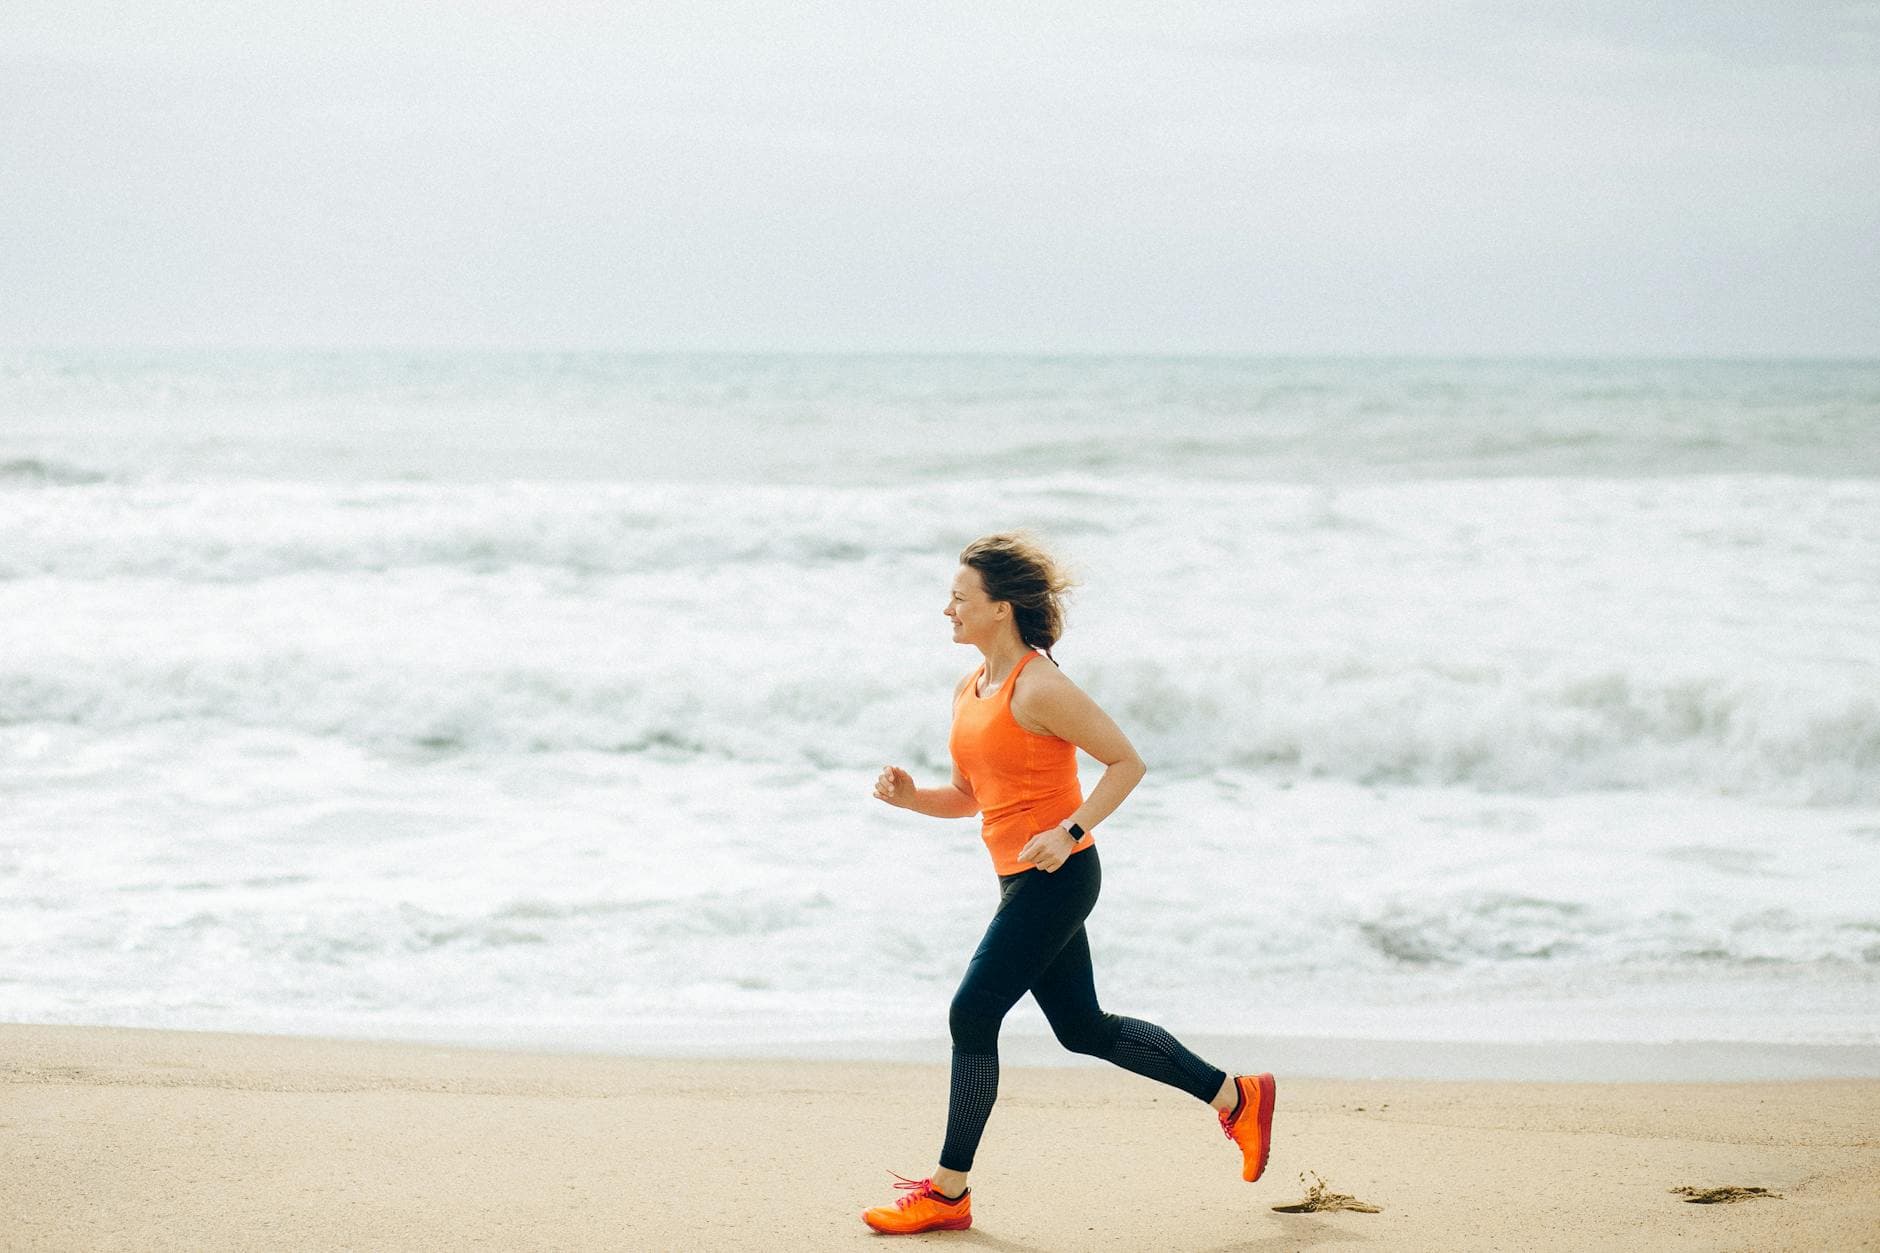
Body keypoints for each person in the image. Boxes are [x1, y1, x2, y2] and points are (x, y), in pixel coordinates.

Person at [860, 532, 1275, 1236]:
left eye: (960, 597)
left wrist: (1072, 830)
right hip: (1019, 881)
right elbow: (969, 794)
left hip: (1059, 876)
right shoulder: (971, 687)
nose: (946, 609)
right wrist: (910, 799)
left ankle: (948, 1192)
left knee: (972, 1010)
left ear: (1001, 607)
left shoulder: (1041, 684)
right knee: (1084, 1028)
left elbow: (1126, 761)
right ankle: (1237, 1096)